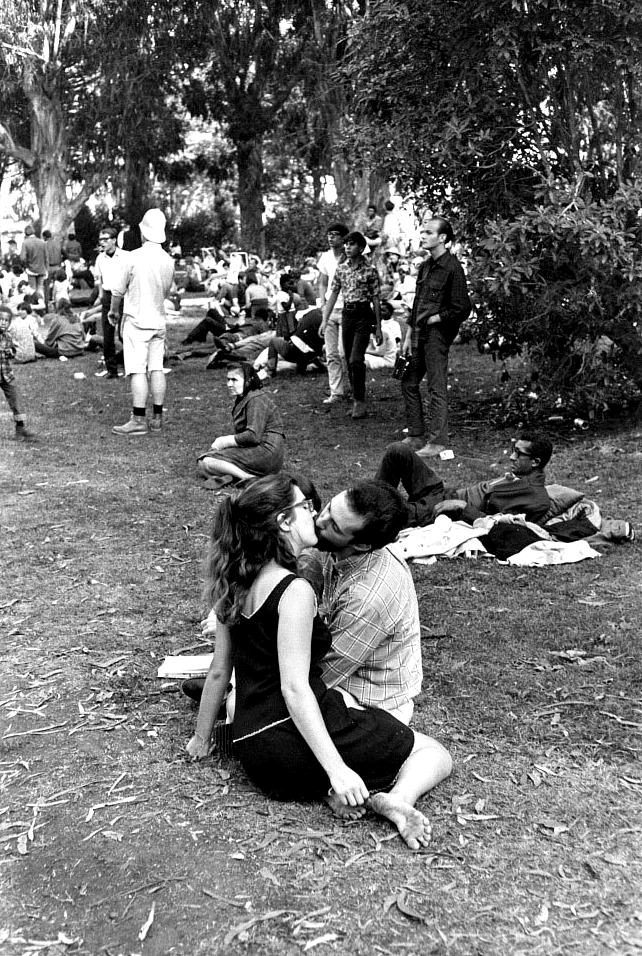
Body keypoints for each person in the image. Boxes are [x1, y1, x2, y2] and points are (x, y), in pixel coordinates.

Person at [186, 473, 451, 848]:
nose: (319, 517)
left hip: (252, 745)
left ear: (359, 545)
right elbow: (297, 688)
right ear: (282, 522)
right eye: (312, 508)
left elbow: (218, 671)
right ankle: (389, 796)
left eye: (329, 520)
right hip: (287, 738)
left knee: (251, 695)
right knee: (434, 752)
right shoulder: (294, 590)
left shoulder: (236, 576)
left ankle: (328, 786)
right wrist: (339, 770)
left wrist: (200, 738)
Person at [299, 479, 423, 726]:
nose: (319, 520)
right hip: (341, 670)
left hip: (368, 702)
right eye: (329, 508)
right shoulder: (339, 548)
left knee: (246, 706)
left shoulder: (366, 598)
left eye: (333, 525)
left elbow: (321, 676)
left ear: (362, 544)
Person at [401, 215, 471, 456]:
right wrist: (409, 334)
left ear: (442, 238)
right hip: (419, 333)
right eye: (422, 232)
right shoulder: (426, 265)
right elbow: (418, 302)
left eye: (429, 233)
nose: (423, 236)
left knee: (436, 386)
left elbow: (462, 308)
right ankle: (416, 435)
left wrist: (436, 318)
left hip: (437, 335)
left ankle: (437, 442)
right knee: (408, 380)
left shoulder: (452, 267)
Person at [375, 434, 553, 527]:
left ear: (535, 462)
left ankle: (369, 507)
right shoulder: (521, 476)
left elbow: (499, 525)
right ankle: (373, 500)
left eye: (519, 454)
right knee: (397, 450)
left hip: (448, 511)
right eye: (513, 450)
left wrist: (462, 507)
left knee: (385, 516)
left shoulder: (535, 499)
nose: (512, 457)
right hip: (442, 493)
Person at [108, 209, 175, 436]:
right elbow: (165, 291)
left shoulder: (132, 257)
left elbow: (117, 290)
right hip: (158, 320)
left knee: (137, 370)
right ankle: (157, 417)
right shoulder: (168, 260)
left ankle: (138, 419)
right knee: (156, 367)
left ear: (143, 231)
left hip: (137, 320)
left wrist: (113, 312)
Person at [322, 231, 382, 420]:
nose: (347, 247)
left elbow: (376, 298)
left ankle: (359, 400)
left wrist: (378, 327)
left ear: (361, 248)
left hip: (364, 315)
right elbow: (333, 294)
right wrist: (325, 319)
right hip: (347, 314)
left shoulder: (370, 271)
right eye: (346, 244)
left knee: (357, 358)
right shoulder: (341, 269)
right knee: (348, 358)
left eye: (352, 244)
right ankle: (355, 395)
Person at [197, 363, 285, 484]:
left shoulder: (256, 399)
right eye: (228, 379)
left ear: (248, 381)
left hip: (266, 453)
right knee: (203, 464)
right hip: (259, 450)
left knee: (208, 461)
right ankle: (234, 476)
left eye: (234, 380)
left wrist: (224, 441)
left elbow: (253, 436)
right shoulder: (246, 397)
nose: (229, 384)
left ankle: (248, 478)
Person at [317, 223, 350, 405]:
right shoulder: (325, 257)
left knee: (345, 352)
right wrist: (322, 303)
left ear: (343, 238)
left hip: (347, 307)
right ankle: (336, 392)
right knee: (331, 354)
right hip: (330, 308)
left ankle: (353, 388)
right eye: (329, 234)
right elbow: (322, 283)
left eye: (335, 235)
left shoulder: (349, 255)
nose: (331, 238)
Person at [0, 305, 36, 440]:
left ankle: (20, 428)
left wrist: (10, 352)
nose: (3, 323)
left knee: (16, 400)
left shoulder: (8, 336)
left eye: (6, 321)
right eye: (1, 320)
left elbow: (12, 351)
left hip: (6, 374)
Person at [95, 227, 127, 379]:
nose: (102, 242)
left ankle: (131, 365)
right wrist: (101, 296)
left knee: (124, 333)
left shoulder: (125, 256)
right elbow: (99, 279)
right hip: (108, 296)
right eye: (101, 239)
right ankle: (111, 369)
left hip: (123, 296)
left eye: (105, 239)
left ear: (114, 240)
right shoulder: (100, 258)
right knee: (107, 335)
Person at [265, 306, 324, 377]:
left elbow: (297, 330)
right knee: (308, 346)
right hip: (311, 354)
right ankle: (313, 367)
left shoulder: (312, 313)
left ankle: (271, 371)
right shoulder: (327, 322)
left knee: (273, 341)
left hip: (294, 352)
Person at [20, 225, 48, 300]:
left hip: (30, 269)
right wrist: (46, 268)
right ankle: (42, 305)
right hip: (41, 269)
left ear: (26, 233)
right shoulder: (42, 242)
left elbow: (22, 258)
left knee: (32, 289)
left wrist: (25, 266)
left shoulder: (25, 243)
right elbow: (46, 257)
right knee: (40, 288)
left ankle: (35, 305)